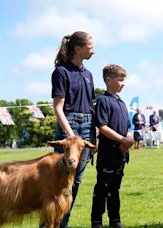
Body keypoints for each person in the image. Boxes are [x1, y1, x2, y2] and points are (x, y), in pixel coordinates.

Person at [50, 31, 96, 228]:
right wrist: (71, 137)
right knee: (60, 179)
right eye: (90, 47)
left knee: (75, 181)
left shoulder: (88, 75)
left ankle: (63, 223)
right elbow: (58, 108)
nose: (94, 50)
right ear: (79, 49)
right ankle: (49, 222)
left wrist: (93, 138)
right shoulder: (61, 72)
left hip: (87, 126)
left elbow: (91, 107)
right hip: (69, 124)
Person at [91, 64, 134, 228]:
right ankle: (96, 220)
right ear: (108, 80)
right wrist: (122, 140)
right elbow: (102, 126)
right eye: (121, 80)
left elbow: (127, 127)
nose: (123, 83)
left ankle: (115, 219)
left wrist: (128, 138)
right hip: (107, 153)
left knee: (115, 188)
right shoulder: (103, 101)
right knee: (102, 187)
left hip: (120, 154)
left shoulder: (122, 103)